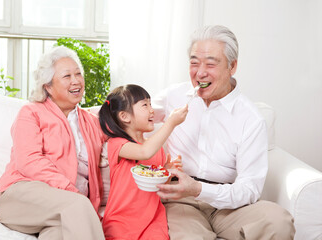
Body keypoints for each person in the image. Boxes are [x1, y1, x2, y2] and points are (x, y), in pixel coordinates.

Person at [153, 25, 296, 239]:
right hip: (181, 199)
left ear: (232, 66)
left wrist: (200, 189)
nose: (200, 72)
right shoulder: (174, 96)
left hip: (230, 204)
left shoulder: (251, 118)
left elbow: (249, 189)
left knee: (278, 221)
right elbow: (129, 114)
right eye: (194, 63)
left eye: (210, 63)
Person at [0, 46, 106, 240]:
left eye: (78, 74)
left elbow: (120, 143)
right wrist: (70, 190)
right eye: (67, 76)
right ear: (48, 86)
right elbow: (28, 160)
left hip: (61, 206)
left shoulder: (91, 121)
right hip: (20, 196)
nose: (76, 81)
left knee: (59, 233)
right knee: (78, 206)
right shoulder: (31, 113)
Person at [98, 84, 187, 240]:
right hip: (121, 222)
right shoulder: (117, 144)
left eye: (150, 104)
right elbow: (144, 152)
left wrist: (167, 170)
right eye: (145, 105)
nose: (152, 110)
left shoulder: (155, 148)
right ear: (124, 116)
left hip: (153, 221)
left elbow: (156, 184)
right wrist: (171, 123)